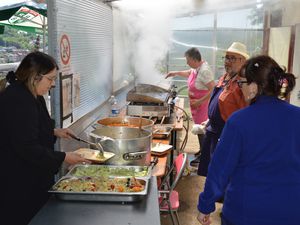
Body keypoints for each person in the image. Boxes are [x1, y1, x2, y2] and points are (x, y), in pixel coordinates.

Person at [197, 55, 299, 225]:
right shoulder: (298, 117)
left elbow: (220, 169)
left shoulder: (239, 121)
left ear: (253, 87)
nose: (239, 87)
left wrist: (205, 205)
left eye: (241, 83)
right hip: (292, 212)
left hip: (246, 213)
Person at [0, 51, 90, 225]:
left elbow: (30, 128)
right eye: (50, 79)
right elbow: (27, 147)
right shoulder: (18, 100)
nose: (53, 84)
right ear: (35, 76)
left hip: (31, 177)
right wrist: (64, 157)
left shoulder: (32, 94)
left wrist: (54, 131)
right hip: (18, 182)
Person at [197, 42, 249, 176]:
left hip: (225, 135)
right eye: (226, 58)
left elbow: (245, 114)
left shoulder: (244, 83)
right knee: (210, 172)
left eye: (232, 58)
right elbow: (220, 103)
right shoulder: (225, 78)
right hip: (213, 132)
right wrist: (210, 120)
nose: (228, 62)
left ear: (243, 61)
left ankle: (222, 197)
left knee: (221, 174)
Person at [165, 47, 215, 164]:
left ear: (193, 59)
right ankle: (202, 150)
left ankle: (204, 156)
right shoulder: (196, 68)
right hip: (197, 105)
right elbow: (189, 73)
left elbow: (213, 89)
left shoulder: (204, 71)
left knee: (202, 130)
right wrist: (175, 73)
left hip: (203, 105)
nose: (187, 62)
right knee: (199, 129)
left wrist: (199, 101)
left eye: (187, 60)